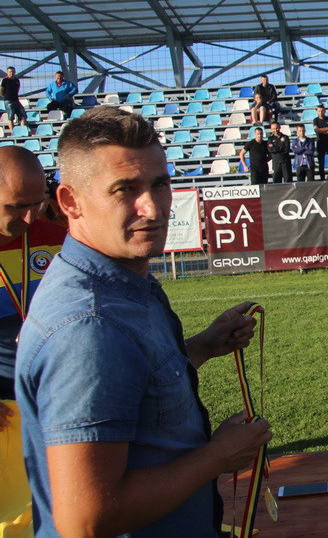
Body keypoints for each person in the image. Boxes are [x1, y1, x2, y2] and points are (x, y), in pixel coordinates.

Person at [15, 108, 271, 537]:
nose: (152, 208)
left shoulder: (122, 282)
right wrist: (216, 457)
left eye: (160, 184)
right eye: (125, 189)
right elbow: (86, 519)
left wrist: (203, 346)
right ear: (70, 201)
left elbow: (135, 384)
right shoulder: (89, 326)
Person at [0, 147, 65, 536]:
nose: (29, 217)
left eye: (37, 203)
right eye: (15, 207)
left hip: (60, 408)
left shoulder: (60, 241)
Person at [1, 67, 26, 133]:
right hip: (8, 100)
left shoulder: (16, 80)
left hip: (16, 100)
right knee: (11, 116)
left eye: (12, 71)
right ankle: (13, 132)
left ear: (15, 72)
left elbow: (17, 89)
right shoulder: (5, 80)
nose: (11, 73)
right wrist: (6, 96)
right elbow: (1, 91)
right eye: (10, 72)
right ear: (7, 72)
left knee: (23, 115)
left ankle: (23, 131)